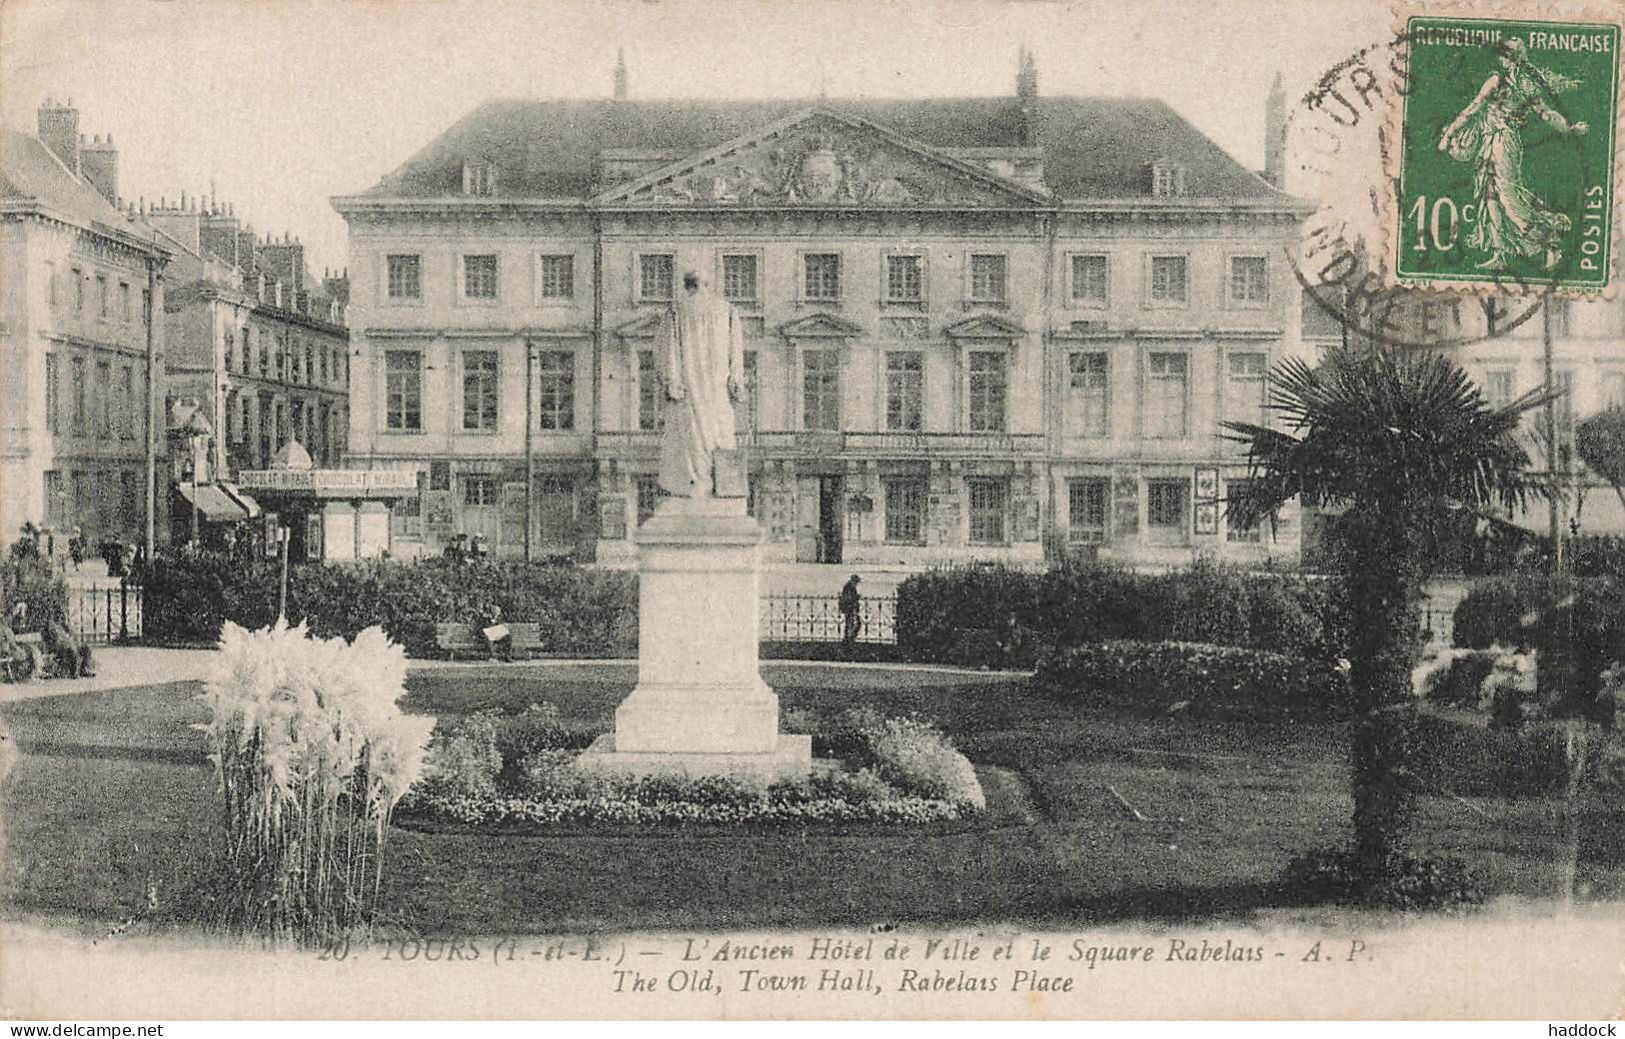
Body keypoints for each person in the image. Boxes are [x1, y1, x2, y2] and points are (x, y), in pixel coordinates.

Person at [1438, 38, 1588, 271]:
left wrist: (1448, 135)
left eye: (1505, 54)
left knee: (1508, 197)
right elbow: (1547, 114)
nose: (1503, 58)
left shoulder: (1501, 82)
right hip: (1491, 141)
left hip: (1502, 142)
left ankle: (1550, 240)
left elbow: (1473, 108)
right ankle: (1499, 254)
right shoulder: (1520, 84)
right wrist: (1569, 127)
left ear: (1509, 57)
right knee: (1490, 197)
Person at [655, 271, 746, 499]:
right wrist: (736, 380)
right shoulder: (728, 310)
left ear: (687, 286)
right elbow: (737, 352)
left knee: (692, 433)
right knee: (719, 432)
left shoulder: (675, 312)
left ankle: (696, 484)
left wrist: (671, 381)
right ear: (708, 284)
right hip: (718, 390)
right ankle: (719, 484)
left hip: (689, 388)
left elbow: (666, 353)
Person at [838, 573, 862, 646]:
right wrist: (857, 597)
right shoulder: (849, 587)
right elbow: (849, 598)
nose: (857, 584)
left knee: (850, 624)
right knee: (853, 624)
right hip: (850, 608)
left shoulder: (849, 586)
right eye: (856, 582)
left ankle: (848, 639)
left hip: (850, 608)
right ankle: (850, 639)